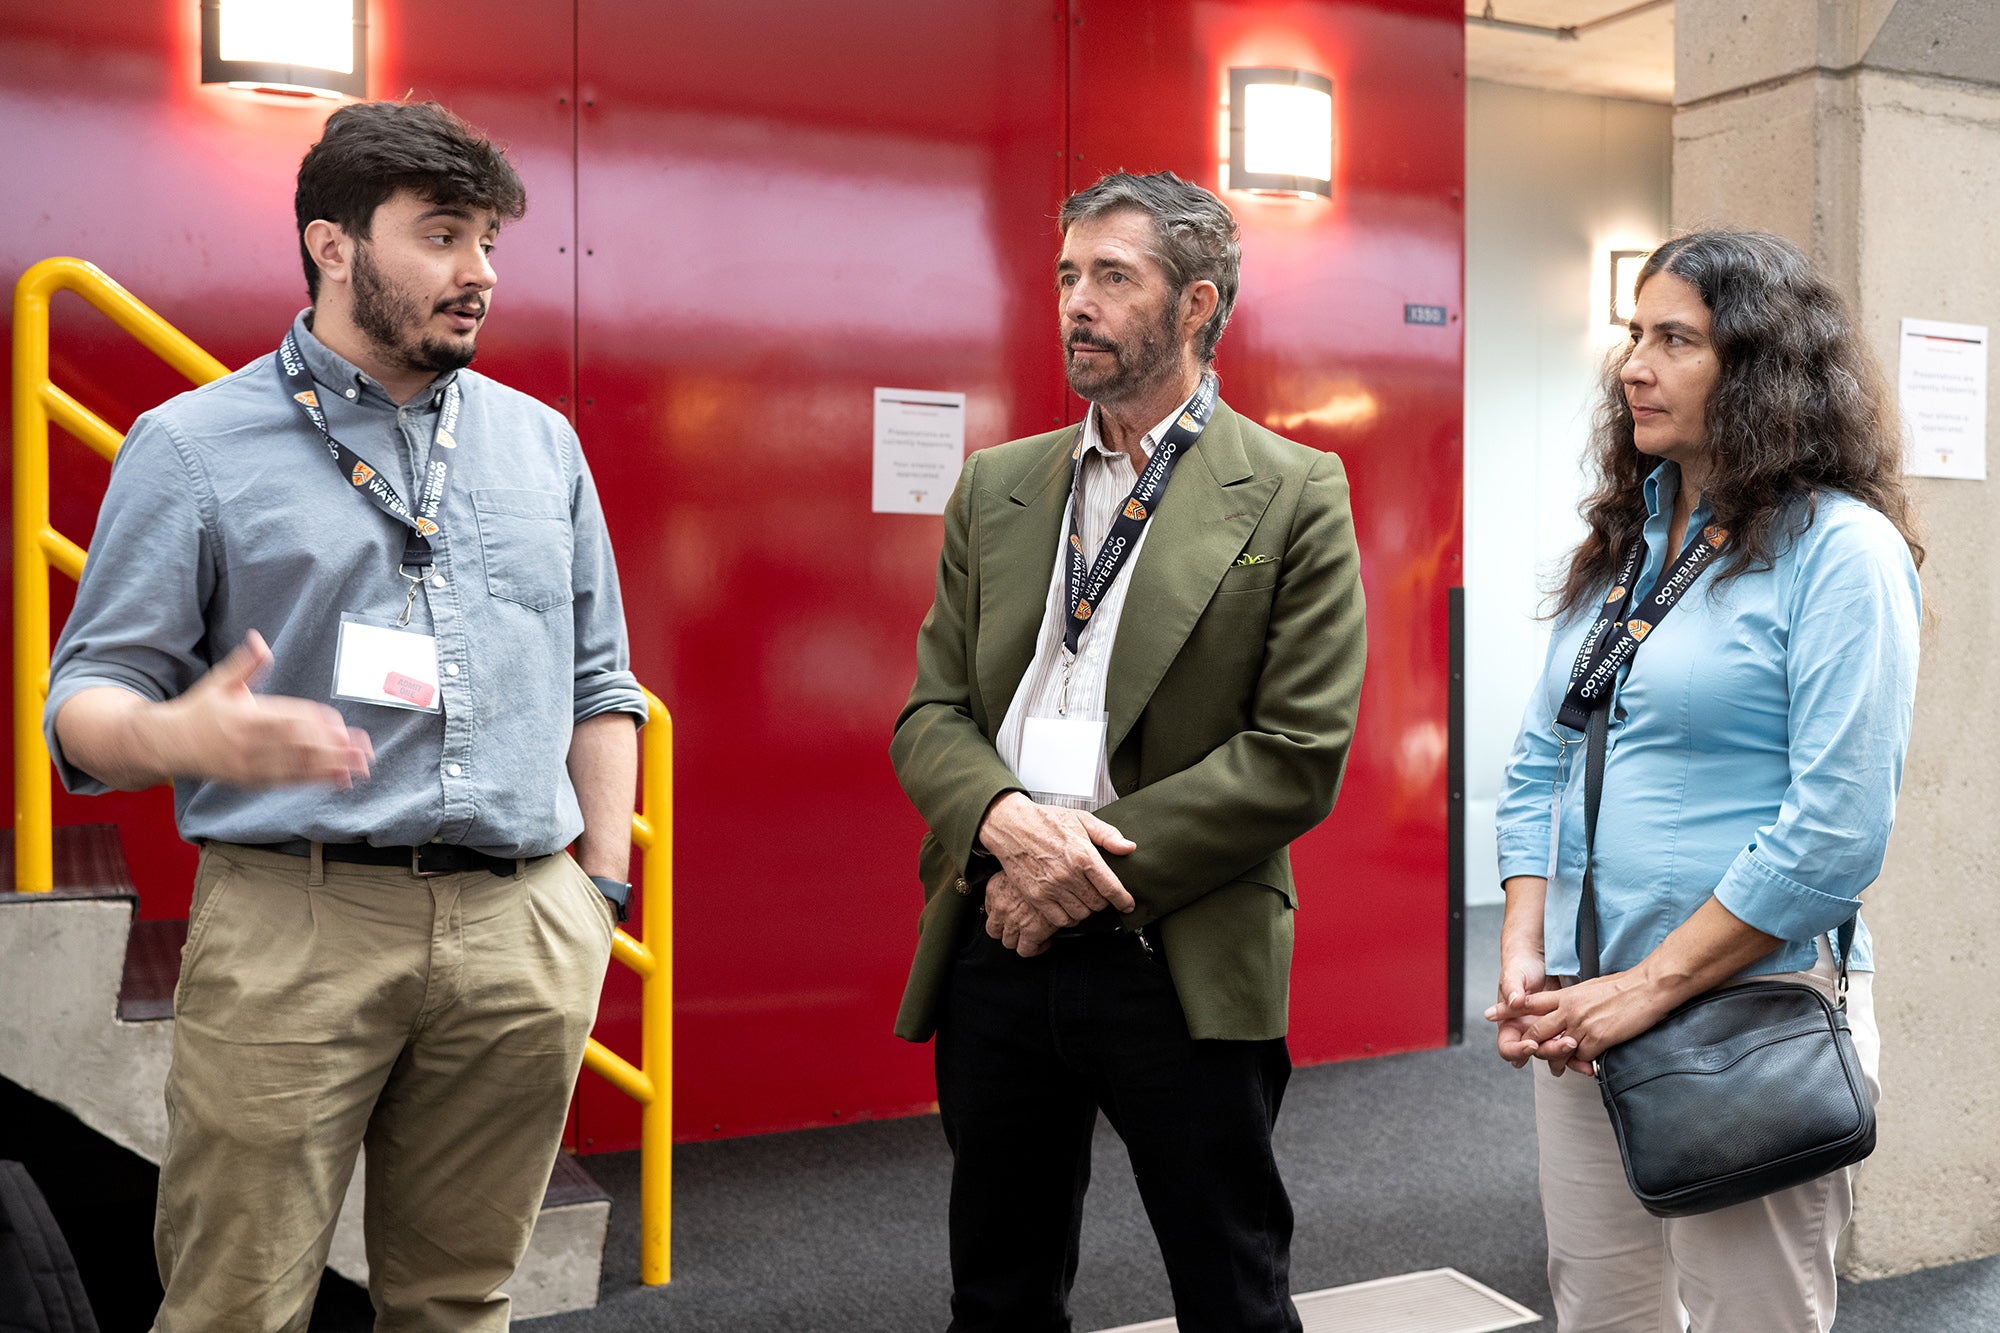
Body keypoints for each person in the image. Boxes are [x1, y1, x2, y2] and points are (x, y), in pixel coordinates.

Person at [44, 100, 647, 1331]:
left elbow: (601, 682)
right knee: (234, 1303)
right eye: (439, 235)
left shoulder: (542, 446)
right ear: (333, 244)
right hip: (295, 923)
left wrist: (598, 889)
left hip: (521, 928)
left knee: (463, 1298)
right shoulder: (193, 447)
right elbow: (83, 701)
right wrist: (172, 735)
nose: (476, 274)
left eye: (487, 241)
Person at [889, 170, 1367, 1333]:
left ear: (1196, 303)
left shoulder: (1294, 490)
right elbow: (928, 714)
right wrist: (1008, 829)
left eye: (1112, 276)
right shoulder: (997, 486)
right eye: (1064, 275)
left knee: (1230, 1288)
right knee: (994, 1288)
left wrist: (1074, 870)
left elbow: (1296, 751)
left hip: (1175, 943)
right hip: (997, 933)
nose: (1075, 303)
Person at [1488, 229, 1922, 1332]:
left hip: (1740, 1013)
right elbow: (1542, 749)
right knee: (1602, 1309)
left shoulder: (1841, 551)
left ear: (1760, 370)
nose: (1632, 364)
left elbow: (1832, 829)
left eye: (1673, 338)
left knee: (1750, 1317)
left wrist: (1645, 988)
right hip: (1586, 1006)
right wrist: (1525, 957)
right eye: (1633, 334)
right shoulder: (1626, 547)